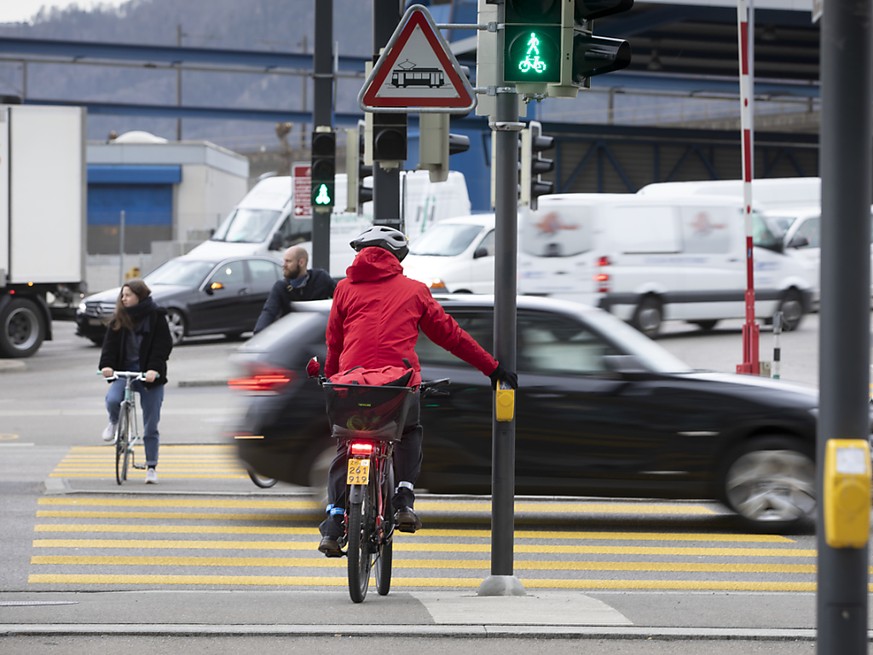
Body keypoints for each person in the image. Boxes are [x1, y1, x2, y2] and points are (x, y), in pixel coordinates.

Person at [317, 226, 517, 556]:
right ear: (396, 258)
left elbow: (334, 343)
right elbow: (451, 336)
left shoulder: (343, 290)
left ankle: (335, 521)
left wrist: (331, 382)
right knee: (409, 432)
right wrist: (493, 370)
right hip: (396, 386)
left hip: (351, 384)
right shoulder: (414, 291)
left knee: (347, 441)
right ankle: (403, 499)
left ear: (361, 255)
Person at [98, 279, 173, 485]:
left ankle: (151, 466)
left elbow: (163, 345)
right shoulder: (118, 319)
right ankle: (114, 422)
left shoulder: (156, 317)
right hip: (125, 373)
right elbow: (109, 347)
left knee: (151, 424)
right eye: (122, 295)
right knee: (113, 400)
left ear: (140, 296)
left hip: (149, 376)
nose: (124, 298)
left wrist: (154, 369)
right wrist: (107, 365)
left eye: (128, 295)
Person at [253, 245, 336, 334]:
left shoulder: (321, 278)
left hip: (319, 335)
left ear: (301, 262)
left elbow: (342, 297)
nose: (284, 265)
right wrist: (258, 333)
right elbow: (269, 311)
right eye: (284, 261)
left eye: (288, 261)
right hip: (292, 337)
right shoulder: (281, 287)